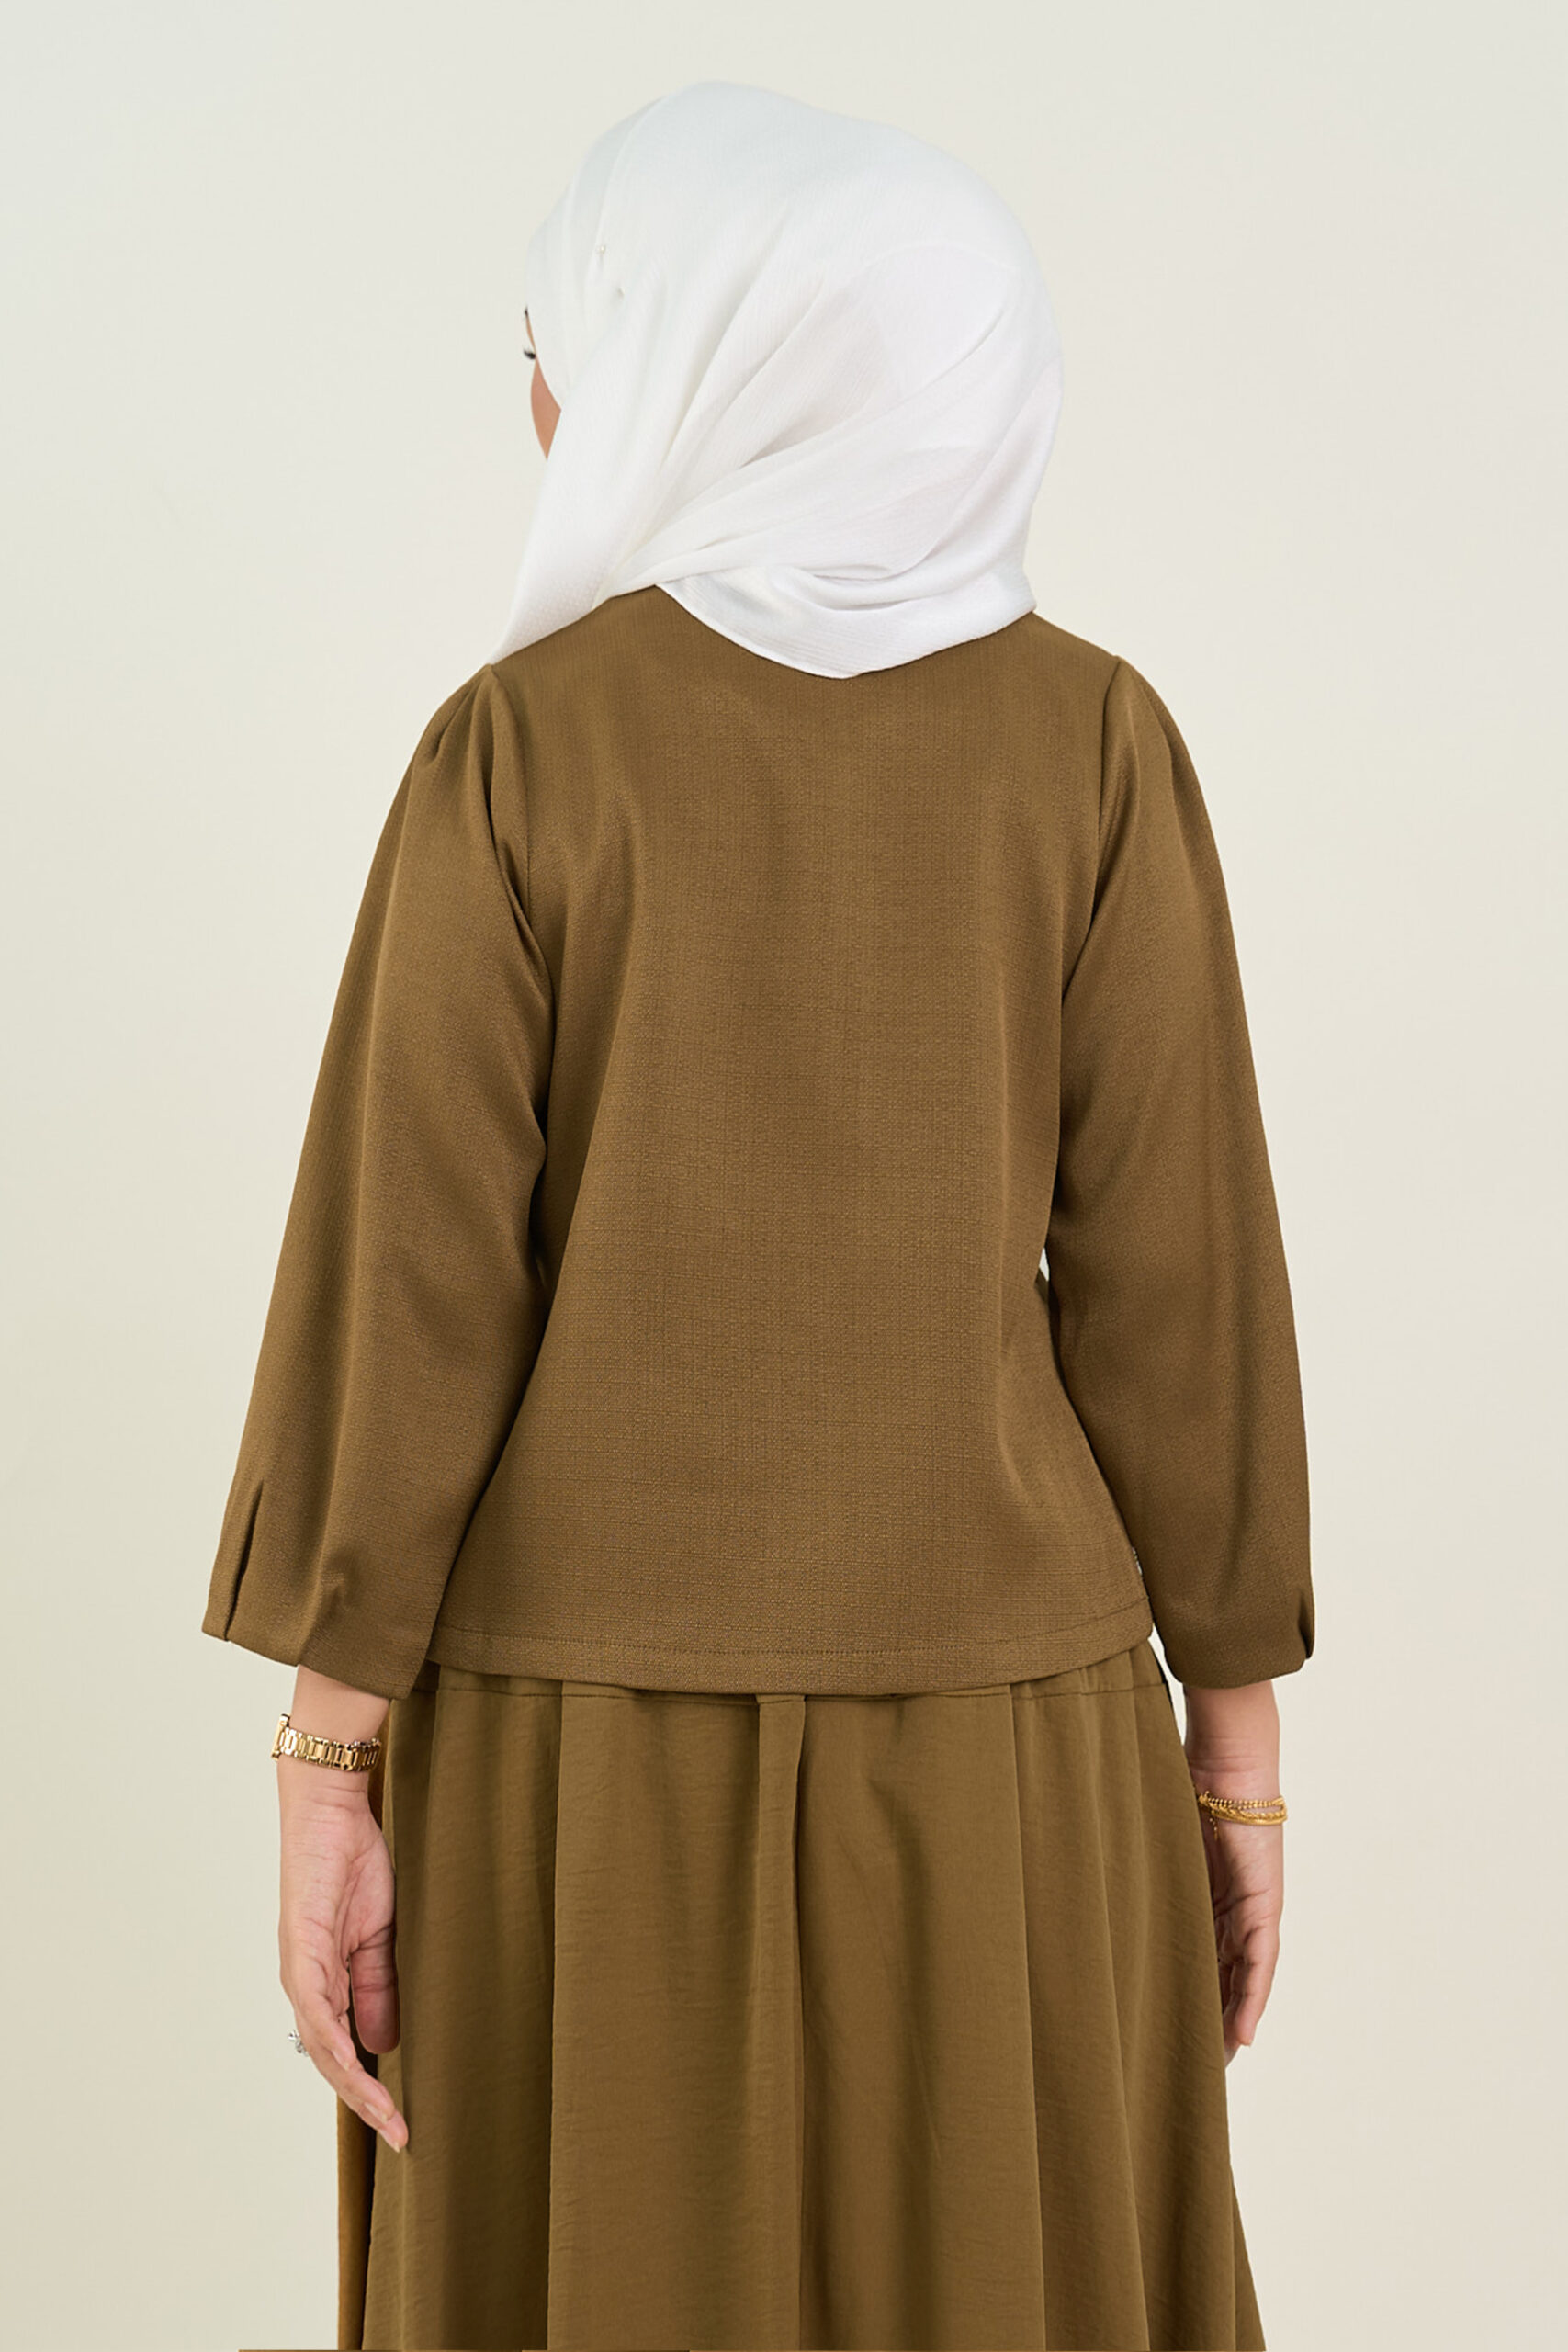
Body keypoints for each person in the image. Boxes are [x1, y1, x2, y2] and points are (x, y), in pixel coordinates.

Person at [202, 79, 1314, 2352]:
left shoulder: (520, 750)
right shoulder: (1094, 746)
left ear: (708, 373)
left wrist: (327, 1761)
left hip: (567, 1774)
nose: (540, 396)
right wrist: (1237, 1758)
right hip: (1009, 1755)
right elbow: (1176, 1295)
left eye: (571, 341)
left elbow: (409, 1299)